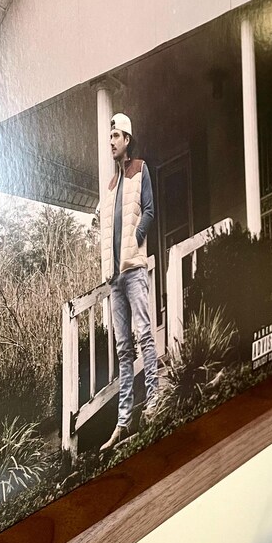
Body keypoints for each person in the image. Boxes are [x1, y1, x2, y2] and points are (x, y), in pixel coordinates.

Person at [99, 113, 158, 452]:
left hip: (133, 269)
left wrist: (134, 240)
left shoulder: (140, 170)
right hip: (115, 278)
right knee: (123, 348)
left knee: (145, 334)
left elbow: (149, 210)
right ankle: (123, 422)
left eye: (116, 136)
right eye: (109, 136)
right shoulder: (110, 186)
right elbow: (105, 226)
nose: (111, 141)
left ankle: (153, 400)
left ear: (127, 140)